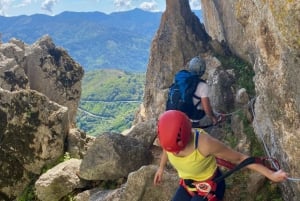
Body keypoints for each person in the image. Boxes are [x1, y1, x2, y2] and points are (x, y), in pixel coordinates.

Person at [153, 110, 288, 201]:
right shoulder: (169, 142)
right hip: (188, 186)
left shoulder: (205, 144)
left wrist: (271, 175)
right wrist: (161, 168)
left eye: (178, 149)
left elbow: (241, 159)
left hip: (211, 186)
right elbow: (167, 149)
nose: (175, 153)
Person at [188, 56, 218, 127]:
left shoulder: (183, 81)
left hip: (178, 114)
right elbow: (207, 108)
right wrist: (213, 118)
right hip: (193, 119)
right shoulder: (202, 86)